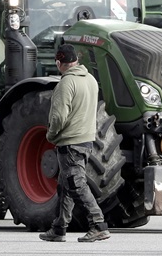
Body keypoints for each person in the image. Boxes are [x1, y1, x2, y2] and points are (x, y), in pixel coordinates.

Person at [38, 44, 110, 243]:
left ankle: (98, 225)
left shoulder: (66, 83)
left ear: (59, 63)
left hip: (70, 142)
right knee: (65, 186)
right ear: (76, 60)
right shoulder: (90, 80)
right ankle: (59, 228)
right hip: (86, 140)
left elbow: (59, 116)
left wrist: (51, 135)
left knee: (75, 185)